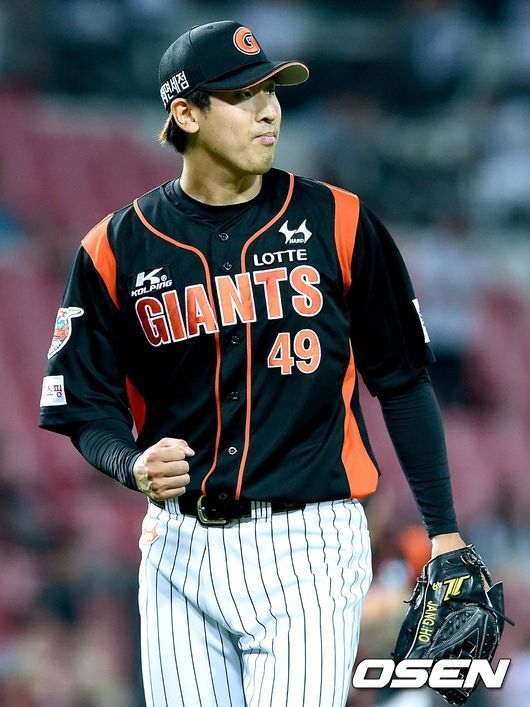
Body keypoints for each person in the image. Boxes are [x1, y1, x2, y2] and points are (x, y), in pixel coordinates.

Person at [39, 20, 467, 707]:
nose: (269, 110)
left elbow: (404, 381)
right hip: (178, 548)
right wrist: (130, 463)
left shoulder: (340, 221)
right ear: (186, 114)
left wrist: (443, 531)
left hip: (311, 544)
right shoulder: (114, 247)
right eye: (243, 95)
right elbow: (83, 406)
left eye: (272, 91)